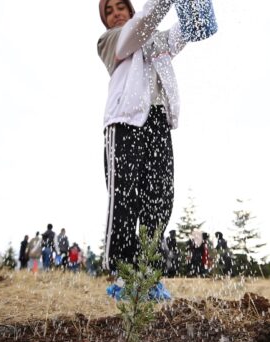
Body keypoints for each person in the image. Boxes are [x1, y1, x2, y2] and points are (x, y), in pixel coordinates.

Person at [98, 0, 189, 298]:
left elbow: (185, 31)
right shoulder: (111, 40)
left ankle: (149, 274)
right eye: (108, 11)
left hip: (157, 122)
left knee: (160, 198)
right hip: (124, 122)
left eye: (119, 7)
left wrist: (197, 12)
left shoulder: (154, 39)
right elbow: (137, 32)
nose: (115, 14)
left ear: (130, 8)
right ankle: (125, 275)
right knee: (125, 199)